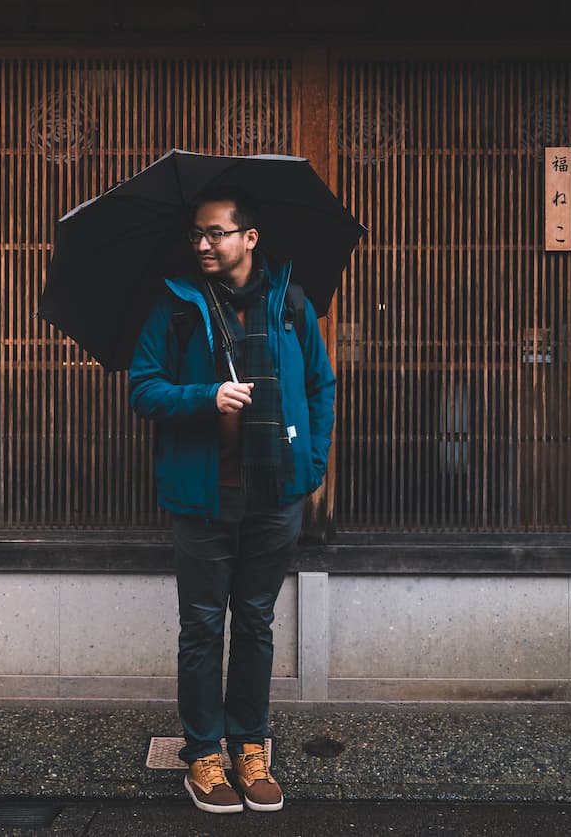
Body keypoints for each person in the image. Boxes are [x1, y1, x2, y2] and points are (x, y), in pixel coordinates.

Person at [128, 187, 336, 814]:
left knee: (255, 624)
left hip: (276, 495)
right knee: (201, 628)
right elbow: (143, 389)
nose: (203, 244)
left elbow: (320, 386)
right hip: (203, 497)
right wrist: (205, 396)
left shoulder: (291, 304)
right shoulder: (177, 305)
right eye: (197, 233)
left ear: (249, 237)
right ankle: (204, 756)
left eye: (216, 232)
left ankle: (250, 747)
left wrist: (314, 464)